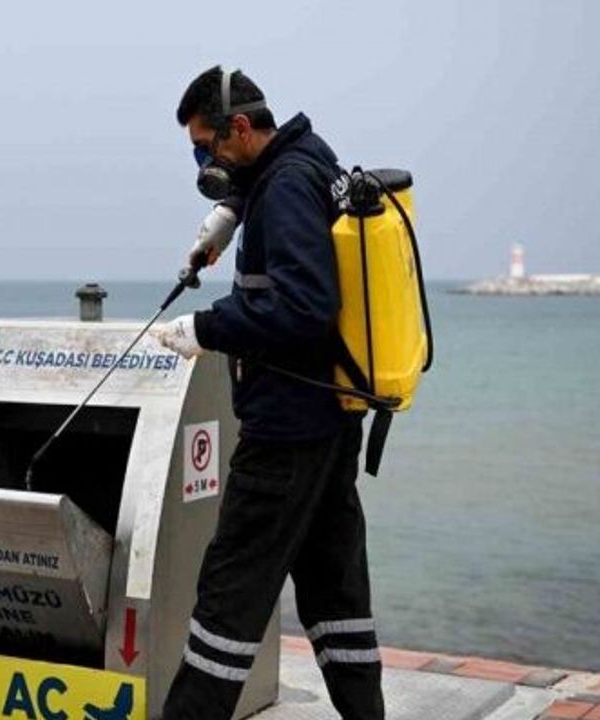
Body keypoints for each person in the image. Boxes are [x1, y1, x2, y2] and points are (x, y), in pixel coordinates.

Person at [151, 66, 385, 720]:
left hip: (284, 435)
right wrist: (229, 215)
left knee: (226, 604)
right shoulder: (311, 160)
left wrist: (207, 327)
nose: (204, 162)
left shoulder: (284, 188)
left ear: (242, 129)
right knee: (336, 599)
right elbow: (284, 189)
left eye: (207, 148)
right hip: (331, 423)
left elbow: (304, 309)